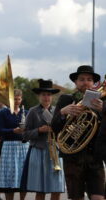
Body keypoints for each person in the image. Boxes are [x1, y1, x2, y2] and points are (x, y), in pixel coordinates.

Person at [51, 65, 105, 200]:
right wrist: (63, 113)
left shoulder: (102, 101)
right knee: (76, 198)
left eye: (89, 79)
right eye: (81, 79)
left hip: (95, 157)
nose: (85, 82)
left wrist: (103, 110)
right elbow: (54, 126)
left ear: (93, 83)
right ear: (76, 82)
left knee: (99, 197)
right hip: (73, 158)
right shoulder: (66, 99)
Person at [21, 79, 65, 200]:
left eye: (49, 95)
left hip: (55, 152)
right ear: (39, 96)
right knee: (41, 190)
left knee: (57, 189)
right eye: (43, 95)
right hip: (39, 152)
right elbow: (24, 135)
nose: (46, 97)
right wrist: (39, 130)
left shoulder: (58, 111)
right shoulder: (32, 111)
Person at [0, 89, 29, 200]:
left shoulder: (26, 112)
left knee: (23, 176)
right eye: (14, 99)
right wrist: (12, 131)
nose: (16, 101)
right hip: (9, 146)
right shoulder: (3, 113)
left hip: (23, 146)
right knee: (9, 178)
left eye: (18, 99)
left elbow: (30, 129)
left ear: (21, 99)